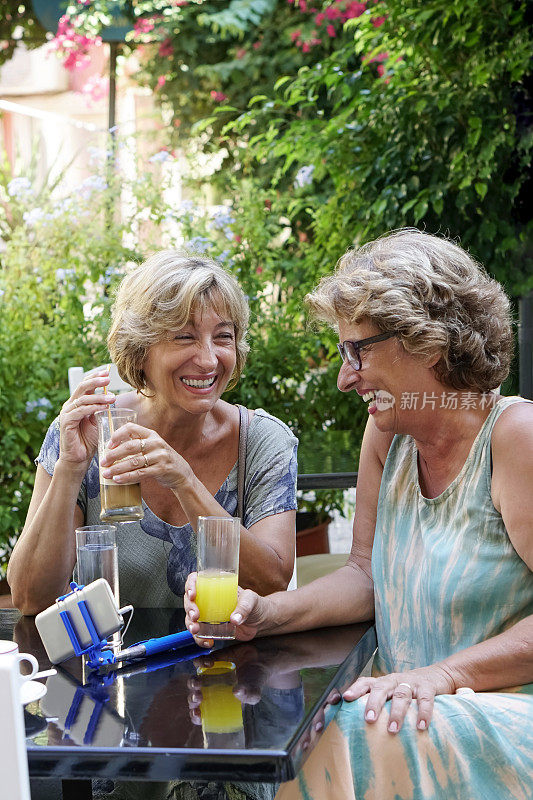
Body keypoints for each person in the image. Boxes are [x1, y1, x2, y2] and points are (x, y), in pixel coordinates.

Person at [185, 229, 533, 799]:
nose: (347, 376)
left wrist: (441, 676)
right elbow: (364, 576)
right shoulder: (388, 436)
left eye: (359, 350)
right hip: (413, 707)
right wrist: (262, 614)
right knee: (310, 732)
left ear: (428, 342)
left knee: (346, 732)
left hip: (504, 712)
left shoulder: (515, 439)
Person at [8, 251, 298, 615]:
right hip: (111, 667)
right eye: (184, 337)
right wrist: (69, 468)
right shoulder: (89, 430)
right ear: (141, 349)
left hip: (233, 665)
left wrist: (184, 481)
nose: (209, 360)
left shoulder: (261, 441)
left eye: (223, 337)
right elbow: (30, 599)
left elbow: (272, 583)